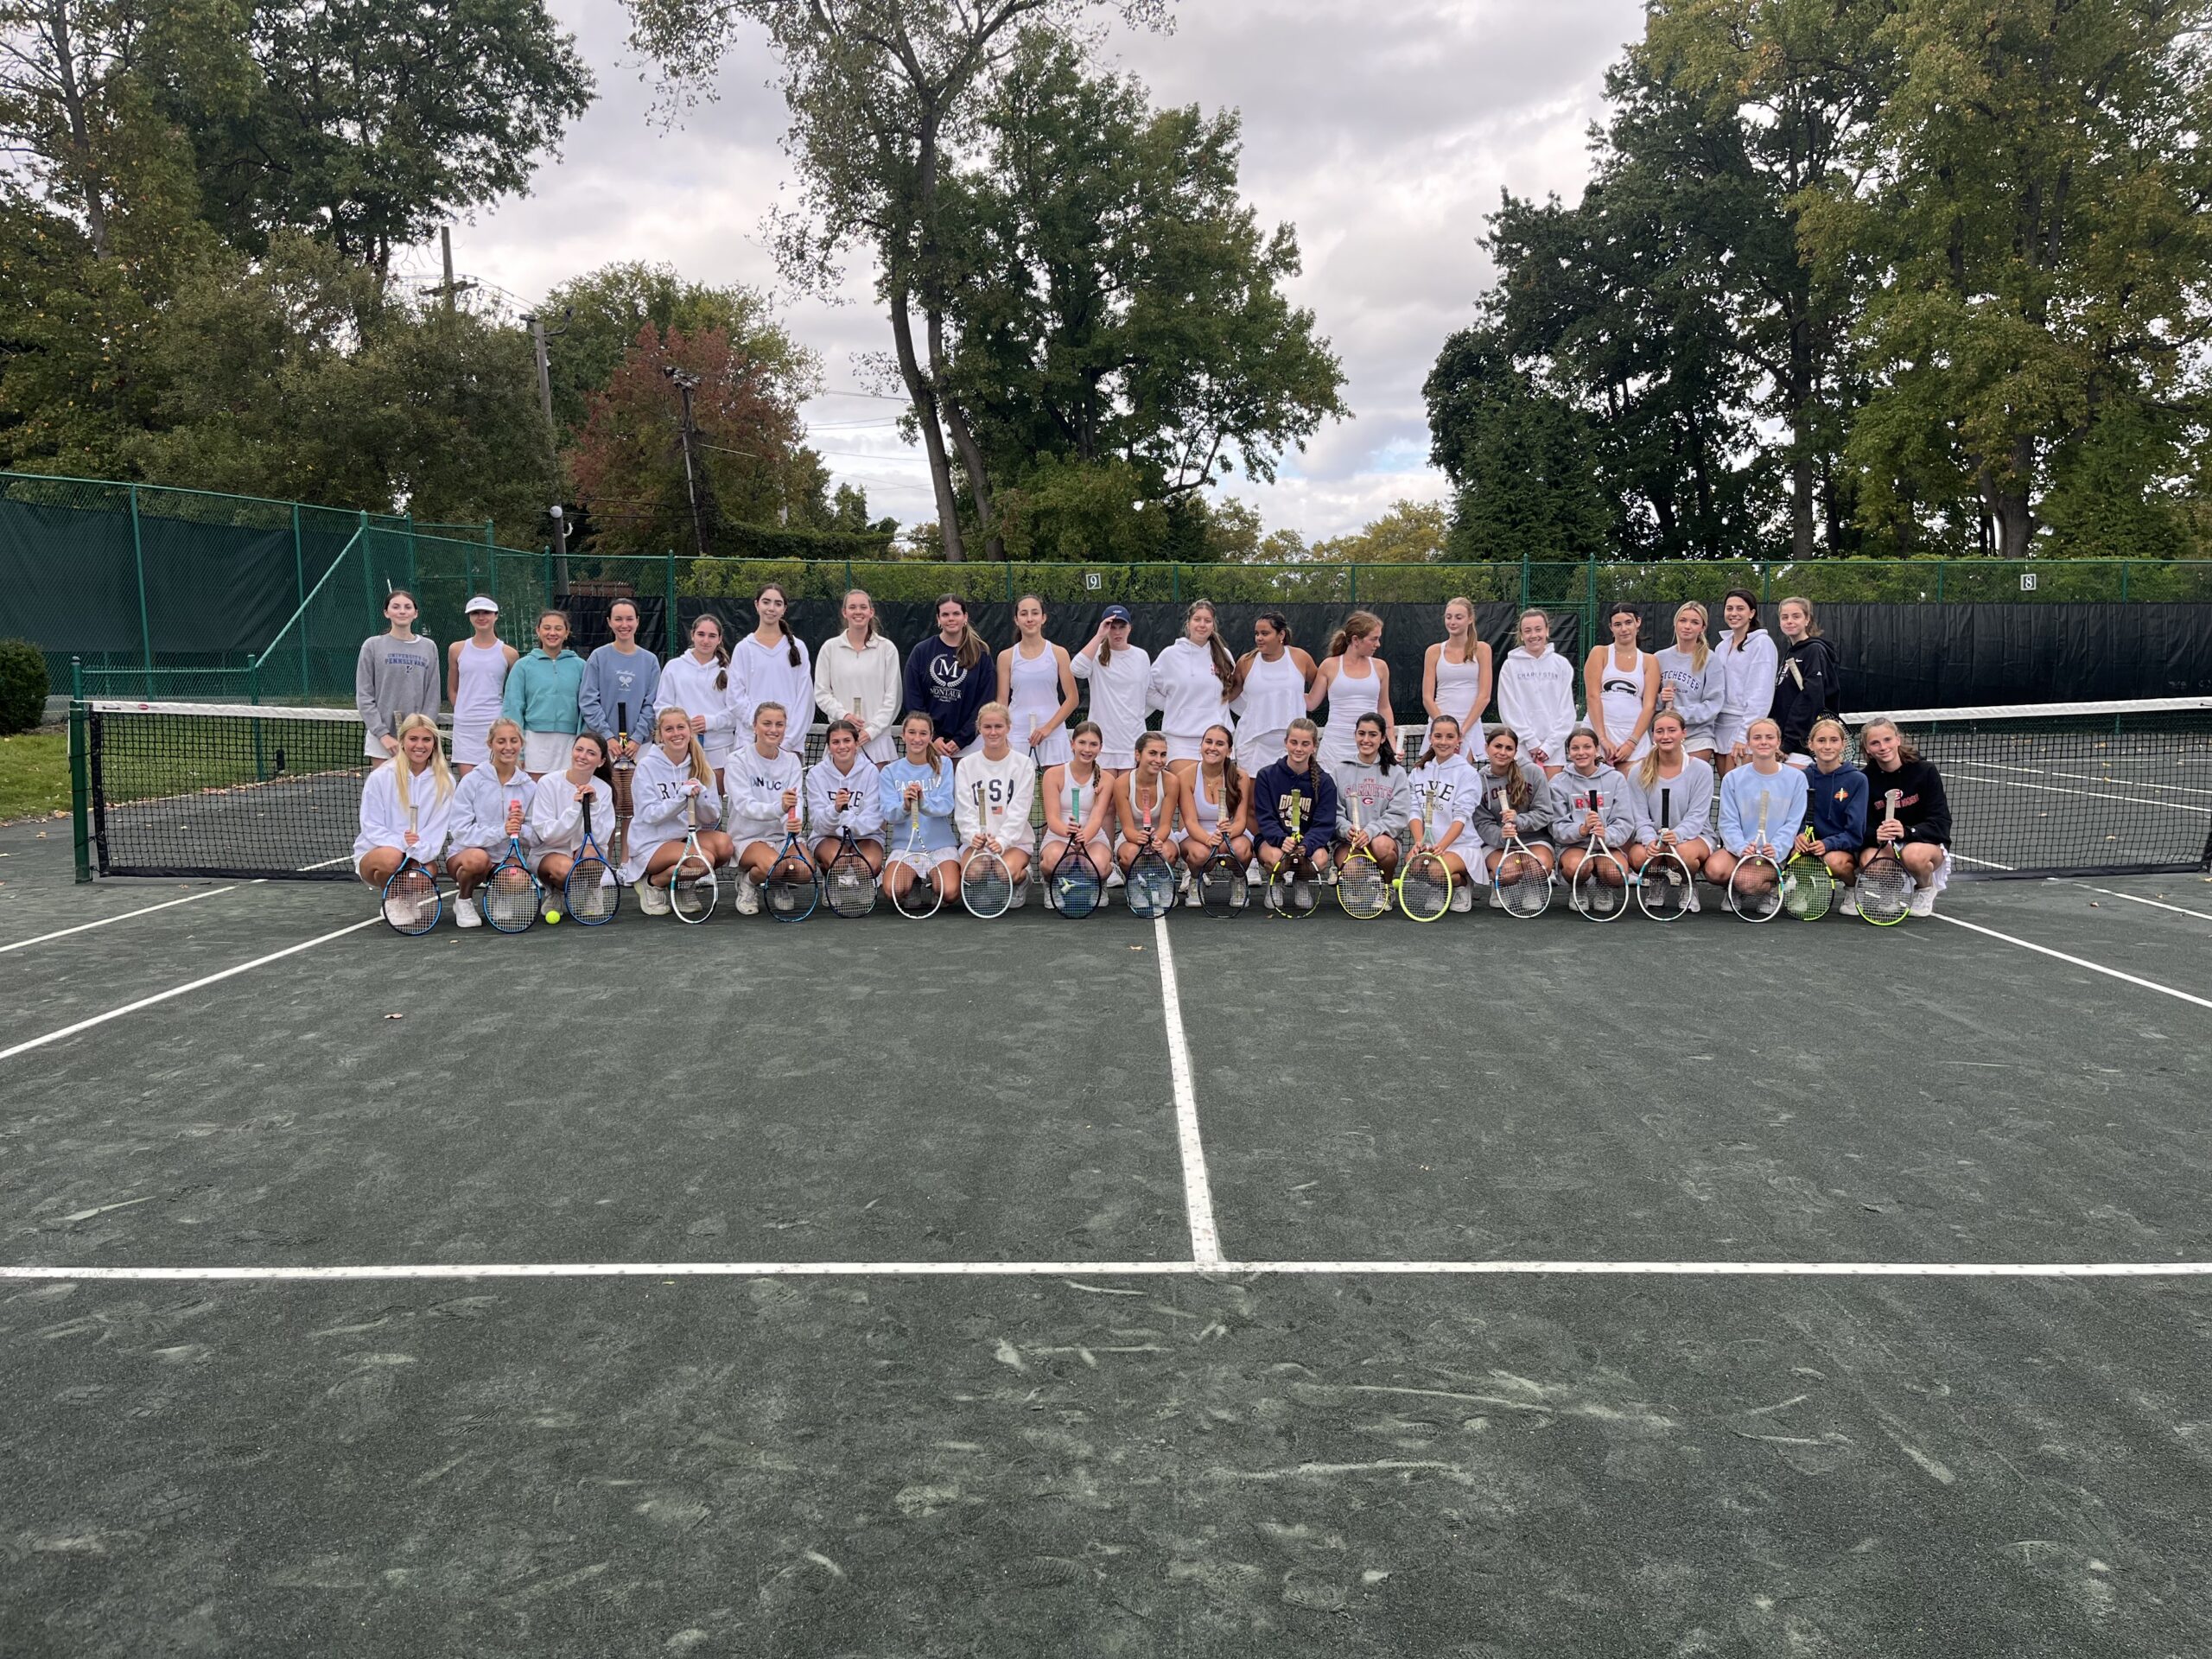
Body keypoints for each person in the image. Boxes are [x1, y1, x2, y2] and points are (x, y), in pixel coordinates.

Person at [623, 706, 734, 914]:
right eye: (669, 729)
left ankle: (683, 885)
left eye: (681, 727)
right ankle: (652, 883)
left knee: (725, 846)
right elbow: (649, 815)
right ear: (660, 735)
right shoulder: (647, 767)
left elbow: (713, 816)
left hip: (685, 839)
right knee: (704, 859)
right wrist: (680, 798)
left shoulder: (701, 766)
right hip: (652, 843)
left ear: (690, 731)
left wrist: (699, 797)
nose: (676, 734)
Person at [444, 717, 538, 926]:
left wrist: (520, 828)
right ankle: (464, 900)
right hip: (467, 856)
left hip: (506, 859)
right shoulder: (472, 780)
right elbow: (459, 831)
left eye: (514, 741)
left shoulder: (529, 786)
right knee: (478, 858)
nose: (508, 747)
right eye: (501, 741)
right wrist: (502, 830)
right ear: (490, 744)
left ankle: (500, 893)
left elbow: (535, 838)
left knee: (520, 879)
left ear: (521, 744)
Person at [1856, 715, 1951, 916]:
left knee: (1913, 855)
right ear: (1867, 749)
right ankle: (1892, 887)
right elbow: (1860, 826)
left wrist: (1907, 831)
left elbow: (1940, 823)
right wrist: (1876, 835)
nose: (1883, 747)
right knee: (1868, 862)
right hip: (1887, 846)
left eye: (1888, 739)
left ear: (1898, 739)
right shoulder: (1864, 779)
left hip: (1923, 843)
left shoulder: (1925, 771)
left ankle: (1925, 888)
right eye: (1875, 743)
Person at [353, 712, 454, 899]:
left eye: (426, 739)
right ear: (402, 741)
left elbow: (437, 831)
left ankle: (407, 898)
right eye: (413, 739)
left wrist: (417, 850)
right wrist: (402, 843)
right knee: (392, 858)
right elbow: (371, 827)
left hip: (418, 852)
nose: (420, 745)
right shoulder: (381, 777)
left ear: (434, 743)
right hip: (378, 854)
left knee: (426, 873)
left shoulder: (446, 782)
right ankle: (392, 900)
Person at [1625, 709, 1716, 906]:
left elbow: (1697, 815)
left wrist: (1677, 835)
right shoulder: (1637, 772)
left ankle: (1688, 884)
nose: (1665, 736)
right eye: (1659, 731)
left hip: (1694, 837)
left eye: (1672, 730)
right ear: (1653, 736)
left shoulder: (1702, 770)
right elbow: (1639, 816)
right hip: (1654, 837)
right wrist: (1650, 840)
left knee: (1682, 854)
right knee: (1639, 857)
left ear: (1683, 733)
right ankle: (1658, 882)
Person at [1707, 717, 1808, 893]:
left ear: (1778, 742)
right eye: (1757, 737)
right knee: (1714, 870)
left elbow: (1794, 822)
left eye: (1769, 737)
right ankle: (1736, 888)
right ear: (1748, 744)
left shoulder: (1797, 778)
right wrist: (1741, 848)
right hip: (1741, 850)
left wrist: (1776, 848)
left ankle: (1772, 888)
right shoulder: (1733, 778)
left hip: (1774, 852)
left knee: (1745, 882)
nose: (1763, 742)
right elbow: (1728, 821)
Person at [725, 700, 807, 915]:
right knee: (774, 865)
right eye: (767, 723)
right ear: (755, 726)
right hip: (749, 838)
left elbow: (796, 800)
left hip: (782, 838)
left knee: (805, 870)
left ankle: (778, 883)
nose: (773, 730)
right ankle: (748, 882)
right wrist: (779, 808)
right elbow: (745, 806)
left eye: (779, 724)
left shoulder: (791, 761)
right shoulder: (736, 761)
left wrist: (793, 820)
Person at [954, 702, 1038, 903]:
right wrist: (973, 835)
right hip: (978, 842)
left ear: (1008, 728)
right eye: (987, 727)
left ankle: (1023, 878)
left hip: (1014, 842)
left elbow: (1020, 810)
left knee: (1004, 872)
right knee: (972, 873)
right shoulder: (966, 765)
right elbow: (964, 808)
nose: (993, 732)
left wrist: (1002, 841)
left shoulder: (1024, 764)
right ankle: (988, 880)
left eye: (998, 726)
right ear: (979, 728)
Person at [879, 710, 961, 907]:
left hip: (940, 847)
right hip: (906, 849)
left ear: (931, 737)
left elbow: (946, 805)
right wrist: (905, 805)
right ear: (903, 736)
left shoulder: (945, 765)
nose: (917, 739)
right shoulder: (890, 771)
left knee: (949, 892)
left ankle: (933, 884)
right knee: (894, 891)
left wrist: (922, 802)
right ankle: (913, 881)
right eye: (912, 733)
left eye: (923, 734)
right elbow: (889, 813)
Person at [1254, 717, 1338, 910]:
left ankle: (1302, 881)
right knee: (1275, 858)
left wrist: (1307, 845)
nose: (1299, 749)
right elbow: (1265, 817)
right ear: (1286, 743)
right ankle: (1276, 882)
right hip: (1275, 841)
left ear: (1314, 747)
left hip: (1307, 843)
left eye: (1305, 743)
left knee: (1320, 859)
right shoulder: (1266, 776)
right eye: (1294, 742)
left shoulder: (1325, 782)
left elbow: (1324, 824)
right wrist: (1281, 839)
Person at [1547, 728, 1644, 894]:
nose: (1581, 753)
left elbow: (1625, 822)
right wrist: (1581, 830)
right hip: (1574, 847)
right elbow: (1556, 827)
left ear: (1596, 749)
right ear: (1569, 752)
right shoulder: (1558, 782)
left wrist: (1606, 834)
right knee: (1576, 868)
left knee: (1616, 873)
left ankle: (1604, 888)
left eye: (1587, 747)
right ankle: (1579, 889)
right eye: (1575, 748)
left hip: (1606, 846)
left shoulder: (1616, 779)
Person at [1150, 600, 1238, 778]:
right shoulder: (1170, 655)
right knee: (1189, 793)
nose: (1202, 625)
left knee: (1215, 796)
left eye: (1207, 620)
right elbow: (1149, 690)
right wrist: (1173, 706)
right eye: (1197, 619)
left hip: (1216, 740)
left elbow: (1232, 691)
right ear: (1188, 622)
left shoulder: (1224, 655)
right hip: (1180, 741)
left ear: (1213, 625)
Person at [1468, 724, 1556, 903]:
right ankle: (1501, 885)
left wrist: (1519, 820)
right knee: (1509, 871)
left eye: (1509, 748)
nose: (1503, 752)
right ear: (1487, 748)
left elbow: (1545, 812)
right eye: (1497, 746)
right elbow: (1481, 823)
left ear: (1516, 751)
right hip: (1497, 844)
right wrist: (1501, 834)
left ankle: (1533, 887)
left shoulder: (1533, 772)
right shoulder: (1478, 781)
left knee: (1538, 866)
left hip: (1533, 839)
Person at [814, 588, 903, 765]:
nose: (858, 611)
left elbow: (893, 698)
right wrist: (844, 718)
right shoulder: (829, 648)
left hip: (878, 745)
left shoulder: (887, 649)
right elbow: (822, 693)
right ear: (844, 612)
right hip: (841, 741)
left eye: (863, 607)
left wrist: (871, 732)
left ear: (871, 612)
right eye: (852, 607)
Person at [728, 583, 813, 761]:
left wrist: (786, 739)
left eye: (778, 603)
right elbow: (735, 698)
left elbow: (805, 700)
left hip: (789, 747)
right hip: (749, 744)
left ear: (784, 609)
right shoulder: (743, 648)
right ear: (757, 605)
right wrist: (761, 729)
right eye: (766, 602)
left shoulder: (798, 648)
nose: (771, 608)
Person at [355, 588, 442, 761]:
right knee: (385, 788)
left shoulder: (429, 647)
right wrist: (383, 734)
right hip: (383, 740)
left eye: (407, 607)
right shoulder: (372, 646)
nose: (402, 611)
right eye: (396, 607)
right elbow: (364, 696)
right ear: (386, 612)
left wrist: (420, 734)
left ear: (415, 613)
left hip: (418, 739)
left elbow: (433, 695)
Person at [1406, 715, 1482, 912]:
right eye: (1438, 736)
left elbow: (1461, 816)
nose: (1443, 742)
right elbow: (1413, 809)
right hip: (1430, 843)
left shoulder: (1468, 773)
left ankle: (1461, 885)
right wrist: (1419, 842)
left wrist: (1441, 847)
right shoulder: (1418, 772)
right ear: (1430, 738)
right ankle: (1439, 888)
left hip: (1461, 845)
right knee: (1412, 865)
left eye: (1450, 737)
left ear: (1459, 740)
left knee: (1436, 869)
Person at [902, 594, 993, 759]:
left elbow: (985, 702)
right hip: (928, 746)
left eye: (956, 614)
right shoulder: (921, 651)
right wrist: (932, 737)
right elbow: (912, 699)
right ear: (938, 619)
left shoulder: (982, 654)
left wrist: (961, 739)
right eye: (945, 615)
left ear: (965, 617)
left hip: (969, 748)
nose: (951, 619)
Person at [527, 731, 616, 897]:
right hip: (549, 853)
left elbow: (600, 839)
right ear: (572, 751)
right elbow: (547, 835)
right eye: (579, 749)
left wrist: (594, 805)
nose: (582, 756)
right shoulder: (547, 783)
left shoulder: (604, 790)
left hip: (585, 852)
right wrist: (576, 808)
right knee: (565, 870)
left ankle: (592, 892)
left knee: (592, 855)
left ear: (601, 761)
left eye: (591, 753)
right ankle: (556, 892)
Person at [577, 596, 661, 772]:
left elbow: (652, 704)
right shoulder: (598, 657)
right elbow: (588, 701)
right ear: (609, 622)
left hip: (639, 746)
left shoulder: (650, 661)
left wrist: (637, 738)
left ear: (638, 621)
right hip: (604, 745)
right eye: (618, 619)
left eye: (630, 619)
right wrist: (608, 737)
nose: (624, 625)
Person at [996, 593, 1079, 769]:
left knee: (1054, 792)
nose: (1029, 619)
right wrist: (1002, 732)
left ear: (1043, 618)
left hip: (1053, 735)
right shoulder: (1006, 657)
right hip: (1017, 735)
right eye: (1024, 614)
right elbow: (1002, 702)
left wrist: (1048, 728)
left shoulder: (1059, 653)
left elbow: (1072, 699)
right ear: (1016, 620)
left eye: (1035, 613)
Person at [500, 608, 586, 778]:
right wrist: (519, 750)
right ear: (538, 631)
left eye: (558, 628)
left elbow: (586, 709)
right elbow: (513, 708)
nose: (552, 633)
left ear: (566, 632)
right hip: (534, 743)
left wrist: (582, 743)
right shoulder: (523, 666)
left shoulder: (581, 666)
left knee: (566, 796)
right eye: (547, 628)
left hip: (569, 743)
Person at [658, 613, 741, 788]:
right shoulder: (674, 667)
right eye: (701, 634)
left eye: (712, 636)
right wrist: (681, 726)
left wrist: (710, 722)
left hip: (719, 749)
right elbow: (662, 707)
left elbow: (736, 711)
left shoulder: (730, 670)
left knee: (713, 807)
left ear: (719, 639)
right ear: (692, 635)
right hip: (681, 748)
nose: (705, 640)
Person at [1232, 611, 1318, 774]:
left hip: (1292, 748)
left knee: (1289, 800)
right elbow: (1230, 694)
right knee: (1253, 800)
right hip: (1253, 746)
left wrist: (1309, 700)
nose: (1259, 638)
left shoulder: (1300, 657)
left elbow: (1322, 682)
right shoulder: (1246, 662)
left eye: (1265, 633)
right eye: (1256, 634)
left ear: (1281, 635)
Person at [1797, 715, 1869, 909]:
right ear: (1810, 745)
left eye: (1833, 740)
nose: (1827, 746)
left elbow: (1855, 834)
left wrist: (1828, 844)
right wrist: (1800, 835)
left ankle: (1852, 888)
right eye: (1821, 740)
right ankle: (1803, 887)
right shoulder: (1802, 778)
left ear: (1843, 744)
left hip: (1842, 849)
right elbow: (1795, 818)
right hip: (1811, 845)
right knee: (1791, 851)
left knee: (1833, 862)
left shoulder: (1857, 780)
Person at [1328, 711, 1411, 878]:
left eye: (1373, 735)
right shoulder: (1339, 771)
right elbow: (1332, 812)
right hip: (1348, 842)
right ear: (1355, 735)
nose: (1366, 740)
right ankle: (1359, 881)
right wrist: (1346, 830)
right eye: (1361, 733)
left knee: (1382, 847)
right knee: (1353, 871)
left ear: (1382, 738)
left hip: (1381, 839)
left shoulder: (1397, 773)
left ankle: (1385, 887)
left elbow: (1399, 815)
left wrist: (1372, 831)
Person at [1179, 722, 1254, 904]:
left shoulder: (1241, 777)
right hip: (1196, 834)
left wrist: (1226, 836)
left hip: (1231, 833)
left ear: (1229, 750)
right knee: (1200, 855)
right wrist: (1208, 840)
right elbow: (1190, 821)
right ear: (1201, 746)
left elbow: (1241, 820)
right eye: (1208, 742)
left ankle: (1238, 880)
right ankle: (1195, 881)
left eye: (1219, 744)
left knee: (1241, 850)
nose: (1212, 748)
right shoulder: (1185, 776)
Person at [1072, 603, 1152, 773]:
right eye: (1111, 627)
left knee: (1128, 798)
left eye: (1122, 627)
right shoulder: (1095, 654)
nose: (1117, 632)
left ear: (1129, 628)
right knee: (1104, 798)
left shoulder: (1141, 656)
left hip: (1133, 740)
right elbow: (1076, 669)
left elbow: (1146, 693)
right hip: (1104, 743)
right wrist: (1099, 636)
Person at [1495, 609, 1576, 777]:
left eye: (1538, 629)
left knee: (1551, 800)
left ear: (1547, 631)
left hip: (1553, 752)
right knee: (1521, 800)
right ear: (1521, 635)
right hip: (1521, 749)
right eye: (1528, 631)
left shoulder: (1562, 665)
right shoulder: (1509, 667)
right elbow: (1508, 709)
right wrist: (1530, 742)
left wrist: (1549, 746)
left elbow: (1567, 711)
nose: (1534, 635)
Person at [1308, 610, 1395, 765]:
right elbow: (1311, 703)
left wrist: (1392, 742)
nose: (1378, 644)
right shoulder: (1329, 666)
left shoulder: (1381, 667)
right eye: (1373, 639)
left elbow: (1384, 707)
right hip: (1334, 750)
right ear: (1356, 640)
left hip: (1369, 748)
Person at [1039, 721, 1115, 890]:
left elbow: (1097, 818)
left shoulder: (1107, 779)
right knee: (1053, 861)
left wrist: (1083, 838)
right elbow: (1052, 818)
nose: (1087, 749)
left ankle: (1099, 884)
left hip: (1093, 837)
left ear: (1100, 747)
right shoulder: (1052, 775)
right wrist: (1068, 832)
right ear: (1072, 744)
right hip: (1058, 836)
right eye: (1082, 743)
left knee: (1099, 865)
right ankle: (1052, 885)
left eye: (1093, 744)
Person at [806, 717, 886, 877]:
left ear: (856, 744)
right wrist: (835, 810)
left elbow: (874, 817)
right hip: (827, 836)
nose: (842, 746)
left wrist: (850, 824)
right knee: (837, 861)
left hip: (866, 836)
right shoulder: (815, 775)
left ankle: (863, 880)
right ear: (828, 747)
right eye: (835, 742)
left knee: (868, 865)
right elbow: (818, 823)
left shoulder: (871, 772)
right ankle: (834, 880)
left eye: (847, 741)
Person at [445, 596, 517, 774]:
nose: (481, 617)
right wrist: (462, 710)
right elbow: (453, 688)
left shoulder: (509, 653)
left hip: (495, 727)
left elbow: (515, 692)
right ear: (470, 617)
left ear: (496, 616)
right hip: (465, 728)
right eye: (475, 613)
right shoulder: (456, 649)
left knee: (497, 781)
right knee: (469, 785)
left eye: (486, 612)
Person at [1711, 588, 1777, 777]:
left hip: (1743, 729)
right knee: (1727, 790)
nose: (1734, 613)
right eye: (1729, 608)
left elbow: (1761, 694)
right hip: (1720, 728)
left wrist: (1744, 735)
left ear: (1752, 613)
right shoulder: (1721, 647)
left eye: (1740, 608)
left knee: (1741, 792)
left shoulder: (1762, 644)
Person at [1585, 603, 1658, 768]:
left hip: (1633, 740)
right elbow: (1592, 696)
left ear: (1638, 622)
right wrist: (1602, 739)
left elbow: (1649, 706)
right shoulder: (1599, 653)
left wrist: (1631, 743)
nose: (1623, 629)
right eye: (1617, 624)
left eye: (1628, 622)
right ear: (1611, 627)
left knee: (1631, 792)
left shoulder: (1649, 661)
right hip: (1598, 734)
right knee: (1597, 791)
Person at [1772, 595, 1842, 764]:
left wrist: (1788, 743)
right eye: (1785, 617)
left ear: (1807, 619)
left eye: (1796, 616)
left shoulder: (1814, 650)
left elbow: (1811, 699)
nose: (1790, 621)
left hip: (1800, 748)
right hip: (1783, 744)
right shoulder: (1791, 653)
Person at [1114, 731, 1189, 885]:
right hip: (1132, 836)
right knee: (1130, 855)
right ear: (1138, 755)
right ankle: (1135, 886)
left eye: (1163, 755)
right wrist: (1138, 838)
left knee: (1167, 853)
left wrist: (1156, 840)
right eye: (1152, 753)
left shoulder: (1172, 782)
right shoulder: (1122, 783)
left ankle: (1164, 885)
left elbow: (1166, 825)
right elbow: (1127, 828)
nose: (1158, 760)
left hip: (1162, 836)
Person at [1654, 601, 1724, 766]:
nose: (1687, 626)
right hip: (1665, 735)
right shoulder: (1659, 658)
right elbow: (1648, 700)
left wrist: (1679, 715)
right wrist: (1660, 698)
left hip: (1697, 737)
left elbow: (1714, 704)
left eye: (1694, 622)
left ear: (1703, 628)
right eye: (1683, 620)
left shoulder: (1711, 659)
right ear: (1676, 623)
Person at [1422, 596, 1492, 755]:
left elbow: (1484, 696)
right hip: (1438, 725)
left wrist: (1461, 731)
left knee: (1462, 776)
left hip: (1469, 727)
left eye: (1458, 617)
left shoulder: (1482, 650)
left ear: (1470, 619)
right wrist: (1443, 730)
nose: (1452, 622)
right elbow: (1427, 697)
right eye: (1448, 617)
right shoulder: (1433, 651)